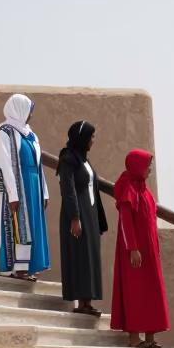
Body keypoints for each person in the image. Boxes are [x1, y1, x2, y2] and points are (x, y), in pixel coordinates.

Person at [111, 149, 169, 348]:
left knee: (152, 293)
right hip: (135, 254)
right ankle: (135, 339)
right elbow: (125, 224)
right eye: (147, 166)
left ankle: (151, 337)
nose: (150, 170)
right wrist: (133, 249)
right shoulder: (128, 190)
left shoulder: (145, 192)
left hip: (150, 253)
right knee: (135, 293)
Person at [0, 94, 49, 281]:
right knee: (20, 226)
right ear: (19, 109)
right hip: (18, 186)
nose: (31, 114)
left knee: (31, 225)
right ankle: (19, 268)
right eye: (29, 109)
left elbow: (39, 165)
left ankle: (29, 265)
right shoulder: (5, 132)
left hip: (32, 184)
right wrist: (12, 194)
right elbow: (3, 163)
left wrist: (44, 191)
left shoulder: (30, 134)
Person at [57, 121, 108, 315]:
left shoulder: (84, 160)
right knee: (79, 255)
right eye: (91, 137)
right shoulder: (68, 158)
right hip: (77, 214)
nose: (93, 141)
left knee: (89, 257)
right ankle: (80, 303)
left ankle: (87, 301)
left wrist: (99, 220)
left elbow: (93, 188)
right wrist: (75, 217)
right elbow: (68, 189)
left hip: (90, 213)